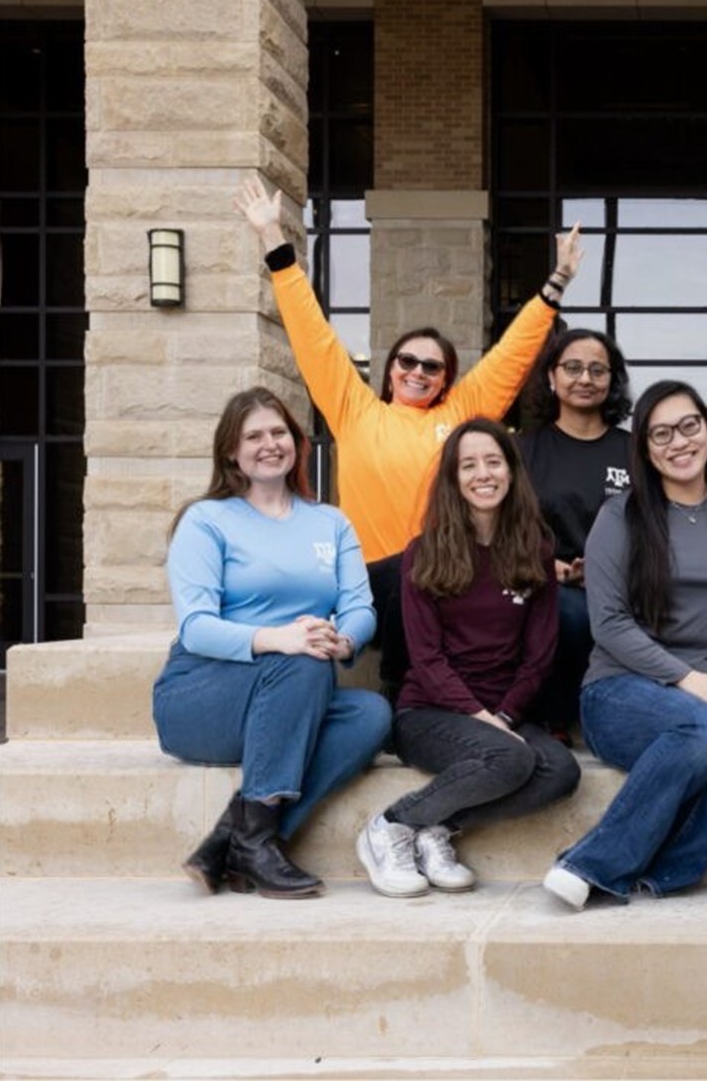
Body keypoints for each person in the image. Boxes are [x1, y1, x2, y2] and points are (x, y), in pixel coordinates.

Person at [233, 175, 583, 695]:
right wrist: (273, 244)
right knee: (406, 571)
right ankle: (404, 692)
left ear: (448, 378)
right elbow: (313, 337)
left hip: (453, 575)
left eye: (433, 366)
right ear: (391, 367)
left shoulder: (463, 412)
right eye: (408, 360)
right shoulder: (355, 410)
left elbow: (511, 357)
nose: (418, 371)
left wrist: (556, 283)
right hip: (376, 581)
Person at [541, 382, 707, 909]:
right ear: (646, 449)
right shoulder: (621, 515)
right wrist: (690, 680)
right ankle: (592, 863)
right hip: (622, 691)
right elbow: (608, 622)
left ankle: (668, 869)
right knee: (701, 724)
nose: (679, 442)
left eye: (688, 426)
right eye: (661, 434)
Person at [152, 388, 391, 899]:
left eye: (279, 432)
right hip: (200, 697)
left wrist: (343, 641)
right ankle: (258, 840)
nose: (269, 444)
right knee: (303, 665)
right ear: (231, 452)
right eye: (253, 435)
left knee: (371, 715)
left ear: (296, 443)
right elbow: (196, 626)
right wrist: (278, 638)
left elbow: (359, 607)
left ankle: (236, 838)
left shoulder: (330, 522)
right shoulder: (206, 520)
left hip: (290, 693)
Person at [355, 419, 581, 897]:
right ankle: (390, 826)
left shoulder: (534, 552)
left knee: (561, 771)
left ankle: (437, 828)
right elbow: (427, 659)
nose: (483, 474)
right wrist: (482, 718)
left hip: (504, 713)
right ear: (454, 479)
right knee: (508, 757)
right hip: (428, 713)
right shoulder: (426, 552)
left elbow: (538, 656)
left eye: (494, 462)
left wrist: (503, 714)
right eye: (469, 465)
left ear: (511, 472)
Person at [515, 328, 634, 738]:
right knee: (568, 612)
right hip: (543, 579)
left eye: (598, 370)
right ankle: (555, 718)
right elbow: (504, 527)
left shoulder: (635, 450)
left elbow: (653, 526)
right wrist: (548, 566)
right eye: (573, 367)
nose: (585, 378)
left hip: (622, 582)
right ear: (551, 376)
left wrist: (604, 569)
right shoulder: (523, 450)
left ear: (612, 380)